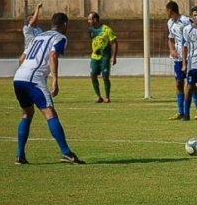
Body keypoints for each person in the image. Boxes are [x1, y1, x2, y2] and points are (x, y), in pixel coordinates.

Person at [13, 12, 85, 165]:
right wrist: (55, 80)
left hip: (19, 77)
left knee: (27, 113)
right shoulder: (60, 38)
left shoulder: (38, 36)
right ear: (65, 24)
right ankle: (66, 153)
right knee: (50, 113)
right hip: (34, 79)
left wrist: (25, 72)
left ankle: (20, 156)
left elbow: (21, 59)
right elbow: (53, 56)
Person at [166, 1, 197, 120]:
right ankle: (180, 111)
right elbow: (170, 39)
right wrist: (172, 50)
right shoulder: (170, 23)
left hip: (189, 57)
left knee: (191, 84)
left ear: (170, 11)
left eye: (166, 10)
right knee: (178, 83)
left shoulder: (186, 20)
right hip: (177, 58)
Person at [87, 12, 118, 103]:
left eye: (89, 19)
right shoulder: (91, 30)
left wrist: (114, 56)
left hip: (105, 57)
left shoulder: (106, 29)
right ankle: (98, 96)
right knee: (93, 76)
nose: (88, 21)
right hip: (94, 57)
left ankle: (107, 97)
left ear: (95, 20)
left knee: (105, 77)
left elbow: (114, 42)